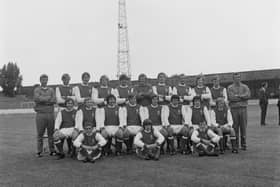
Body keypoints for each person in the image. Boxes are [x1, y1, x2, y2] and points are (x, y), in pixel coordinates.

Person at [33, 74, 56, 157]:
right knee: (40, 134)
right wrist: (47, 99)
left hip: (50, 114)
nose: (44, 81)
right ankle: (39, 151)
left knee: (51, 134)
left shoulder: (51, 89)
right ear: (40, 80)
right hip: (40, 114)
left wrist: (43, 100)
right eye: (43, 79)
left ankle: (52, 150)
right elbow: (37, 99)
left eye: (46, 79)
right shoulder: (37, 89)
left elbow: (54, 100)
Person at [227, 72, 251, 150]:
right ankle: (236, 144)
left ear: (240, 78)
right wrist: (242, 98)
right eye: (235, 77)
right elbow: (231, 98)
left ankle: (244, 144)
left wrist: (239, 96)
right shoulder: (230, 88)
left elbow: (248, 95)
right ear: (233, 78)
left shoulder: (245, 86)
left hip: (243, 109)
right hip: (234, 109)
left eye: (238, 77)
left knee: (243, 126)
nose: (237, 79)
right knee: (235, 127)